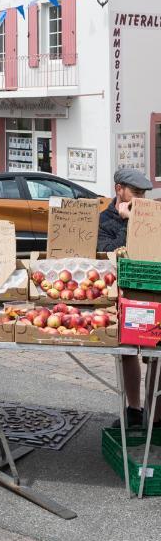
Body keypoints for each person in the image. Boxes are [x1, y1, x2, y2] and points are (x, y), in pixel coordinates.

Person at [97, 168, 159, 428]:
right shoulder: (104, 219)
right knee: (128, 352)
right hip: (121, 293)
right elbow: (105, 252)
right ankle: (134, 409)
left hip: (152, 291)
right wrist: (129, 223)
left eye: (143, 194)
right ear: (119, 189)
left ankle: (156, 414)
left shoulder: (153, 215)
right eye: (135, 193)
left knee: (156, 353)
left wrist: (138, 220)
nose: (140, 199)